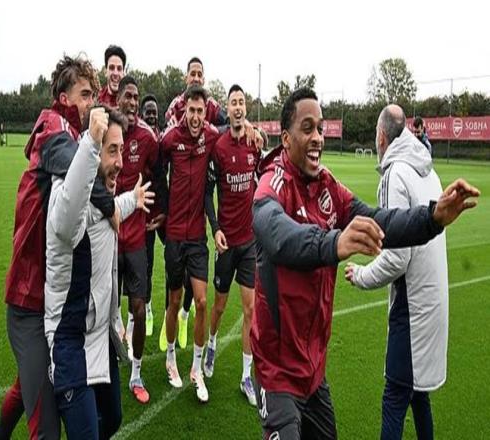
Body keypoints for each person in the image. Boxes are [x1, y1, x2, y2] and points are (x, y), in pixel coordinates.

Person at [251, 88, 479, 439]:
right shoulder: (272, 184)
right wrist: (333, 242)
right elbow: (277, 234)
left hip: (313, 373)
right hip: (278, 373)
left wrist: (432, 217)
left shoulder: (328, 186)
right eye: (307, 128)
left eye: (320, 128)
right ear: (285, 138)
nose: (317, 137)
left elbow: (380, 220)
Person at [0, 54, 116, 440]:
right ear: (64, 97)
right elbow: (73, 166)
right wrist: (111, 204)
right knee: (47, 428)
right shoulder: (53, 125)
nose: (91, 102)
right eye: (85, 94)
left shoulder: (74, 134)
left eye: (94, 94)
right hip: (28, 300)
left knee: (26, 386)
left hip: (51, 299)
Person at [44, 107, 154, 439]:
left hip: (99, 337)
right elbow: (67, 224)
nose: (120, 162)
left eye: (121, 150)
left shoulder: (103, 200)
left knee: (114, 418)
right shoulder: (68, 197)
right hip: (71, 341)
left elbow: (110, 209)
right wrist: (91, 143)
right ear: (91, 153)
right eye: (111, 151)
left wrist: (132, 199)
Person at [344, 105, 448, 440]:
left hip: (412, 308)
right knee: (418, 395)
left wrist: (360, 275)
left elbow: (397, 258)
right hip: (433, 302)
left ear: (381, 137)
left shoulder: (395, 174)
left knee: (395, 396)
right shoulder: (428, 170)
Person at [160, 85, 221, 403]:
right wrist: (159, 212)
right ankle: (170, 357)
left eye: (200, 111)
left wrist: (252, 131)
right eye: (191, 110)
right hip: (174, 236)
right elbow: (156, 171)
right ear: (184, 109)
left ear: (205, 111)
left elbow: (232, 133)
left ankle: (196, 369)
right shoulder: (170, 138)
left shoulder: (212, 136)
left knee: (201, 302)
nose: (196, 117)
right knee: (174, 300)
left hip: (198, 237)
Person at [203, 84, 260, 406]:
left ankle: (246, 377)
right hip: (226, 244)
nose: (237, 107)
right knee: (220, 306)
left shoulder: (254, 144)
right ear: (227, 109)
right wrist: (215, 230)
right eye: (233, 103)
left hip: (249, 242)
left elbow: (264, 180)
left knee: (251, 309)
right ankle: (211, 343)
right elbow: (207, 193)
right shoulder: (219, 147)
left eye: (242, 102)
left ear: (246, 108)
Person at [116, 76, 161, 404]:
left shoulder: (147, 138)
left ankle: (135, 373)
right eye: (128, 96)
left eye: (136, 97)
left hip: (135, 239)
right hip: (106, 238)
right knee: (99, 309)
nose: (133, 102)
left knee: (140, 309)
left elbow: (159, 176)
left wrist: (161, 212)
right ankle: (100, 367)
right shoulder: (106, 129)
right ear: (117, 98)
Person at [140, 94, 165, 337]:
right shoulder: (139, 139)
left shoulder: (164, 139)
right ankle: (147, 310)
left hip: (165, 210)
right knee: (146, 265)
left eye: (154, 112)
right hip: (145, 211)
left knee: (177, 260)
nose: (151, 116)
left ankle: (178, 307)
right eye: (147, 112)